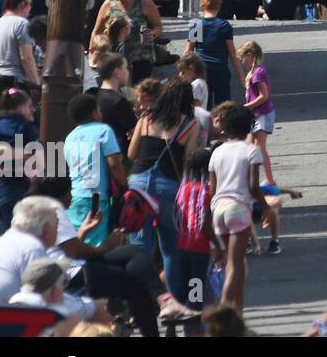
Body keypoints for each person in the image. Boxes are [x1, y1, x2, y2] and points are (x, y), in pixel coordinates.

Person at [28, 177, 197, 336]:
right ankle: (163, 302)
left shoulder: (40, 209)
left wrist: (84, 230)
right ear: (61, 195)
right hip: (70, 273)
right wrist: (107, 246)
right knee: (135, 283)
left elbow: (65, 248)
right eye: (70, 191)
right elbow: (73, 252)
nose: (72, 196)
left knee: (133, 253)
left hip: (65, 268)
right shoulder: (53, 209)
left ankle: (164, 301)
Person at [127, 79, 199, 300]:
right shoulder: (189, 125)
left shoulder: (146, 119)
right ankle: (174, 301)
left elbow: (131, 154)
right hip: (168, 186)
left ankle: (138, 301)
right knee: (170, 248)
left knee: (139, 248)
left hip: (138, 185)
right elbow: (189, 163)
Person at [0, 197, 110, 327]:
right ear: (46, 231)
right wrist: (93, 308)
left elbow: (51, 293)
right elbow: (52, 299)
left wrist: (90, 306)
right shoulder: (31, 247)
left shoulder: (9, 238)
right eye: (57, 226)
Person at [208, 105, 264, 311]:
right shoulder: (252, 151)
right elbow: (253, 187)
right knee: (236, 265)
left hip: (217, 211)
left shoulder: (217, 152)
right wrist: (265, 207)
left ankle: (237, 319)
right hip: (238, 210)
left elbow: (212, 190)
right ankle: (222, 314)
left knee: (226, 265)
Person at [64, 93, 127, 246]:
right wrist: (125, 186)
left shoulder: (69, 137)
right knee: (96, 247)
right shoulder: (103, 130)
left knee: (80, 241)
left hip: (75, 197)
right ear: (94, 113)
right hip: (96, 199)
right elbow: (114, 164)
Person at [92, 0, 163, 82]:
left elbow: (158, 26)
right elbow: (96, 32)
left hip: (140, 59)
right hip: (116, 60)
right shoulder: (108, 4)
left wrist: (152, 34)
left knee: (137, 94)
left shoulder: (144, 1)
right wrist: (94, 54)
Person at [173, 148, 215, 307]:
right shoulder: (206, 191)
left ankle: (173, 322)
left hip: (182, 244)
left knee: (182, 284)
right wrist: (219, 243)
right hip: (200, 247)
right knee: (196, 283)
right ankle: (194, 317)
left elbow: (177, 216)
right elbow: (203, 224)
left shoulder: (183, 189)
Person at [185, 0, 244, 105]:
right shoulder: (224, 26)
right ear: (219, 7)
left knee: (202, 104)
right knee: (223, 105)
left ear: (202, 6)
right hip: (220, 69)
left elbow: (188, 51)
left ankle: (204, 122)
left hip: (201, 70)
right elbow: (232, 53)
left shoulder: (197, 25)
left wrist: (183, 73)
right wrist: (242, 76)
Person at [0, 87, 38, 235]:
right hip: (14, 186)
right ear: (21, 108)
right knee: (14, 233)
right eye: (29, 106)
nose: (32, 110)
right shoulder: (24, 127)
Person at [238, 41, 277, 187]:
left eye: (243, 57)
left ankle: (270, 180)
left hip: (263, 114)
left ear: (251, 55)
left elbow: (264, 95)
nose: (242, 61)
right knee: (249, 147)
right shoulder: (253, 72)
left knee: (260, 147)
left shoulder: (258, 72)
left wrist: (246, 106)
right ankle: (248, 180)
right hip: (255, 115)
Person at [0, 0, 38, 95]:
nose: (30, 8)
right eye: (30, 4)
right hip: (14, 83)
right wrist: (37, 82)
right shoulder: (22, 24)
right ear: (23, 5)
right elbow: (26, 57)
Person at [93, 53, 135, 153]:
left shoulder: (94, 96)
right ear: (117, 72)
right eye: (126, 68)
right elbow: (135, 133)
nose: (128, 72)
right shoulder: (118, 102)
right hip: (117, 156)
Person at [177, 54, 212, 144]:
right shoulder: (201, 82)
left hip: (196, 124)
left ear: (192, 70)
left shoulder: (195, 85)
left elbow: (197, 106)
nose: (180, 75)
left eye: (183, 72)